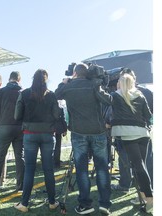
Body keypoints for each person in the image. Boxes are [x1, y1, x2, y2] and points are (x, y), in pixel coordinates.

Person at [55, 63, 112, 215]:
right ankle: (105, 203)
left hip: (78, 132)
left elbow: (56, 95)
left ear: (74, 73)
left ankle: (85, 204)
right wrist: (98, 85)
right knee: (102, 168)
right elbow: (109, 100)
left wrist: (64, 82)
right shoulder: (93, 84)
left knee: (81, 169)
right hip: (98, 131)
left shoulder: (69, 86)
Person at [13, 69, 60, 212]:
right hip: (47, 134)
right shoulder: (51, 95)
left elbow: (16, 115)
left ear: (33, 78)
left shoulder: (25, 93)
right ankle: (52, 202)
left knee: (29, 169)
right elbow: (57, 114)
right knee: (48, 169)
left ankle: (24, 204)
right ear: (46, 80)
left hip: (30, 134)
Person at [111, 72, 153, 212]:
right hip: (144, 134)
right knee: (141, 167)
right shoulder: (140, 95)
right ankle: (142, 196)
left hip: (129, 135)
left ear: (121, 83)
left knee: (139, 167)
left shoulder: (116, 96)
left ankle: (150, 197)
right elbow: (149, 116)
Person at [0, 71, 25, 195]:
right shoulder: (23, 92)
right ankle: (21, 186)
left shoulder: (1, 92)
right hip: (19, 128)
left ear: (9, 79)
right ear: (19, 79)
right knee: (20, 157)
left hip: (4, 126)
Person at [53, 100, 68, 168]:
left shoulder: (48, 107)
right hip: (58, 129)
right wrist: (65, 129)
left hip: (49, 128)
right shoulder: (60, 108)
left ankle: (51, 161)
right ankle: (56, 162)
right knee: (57, 146)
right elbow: (63, 119)